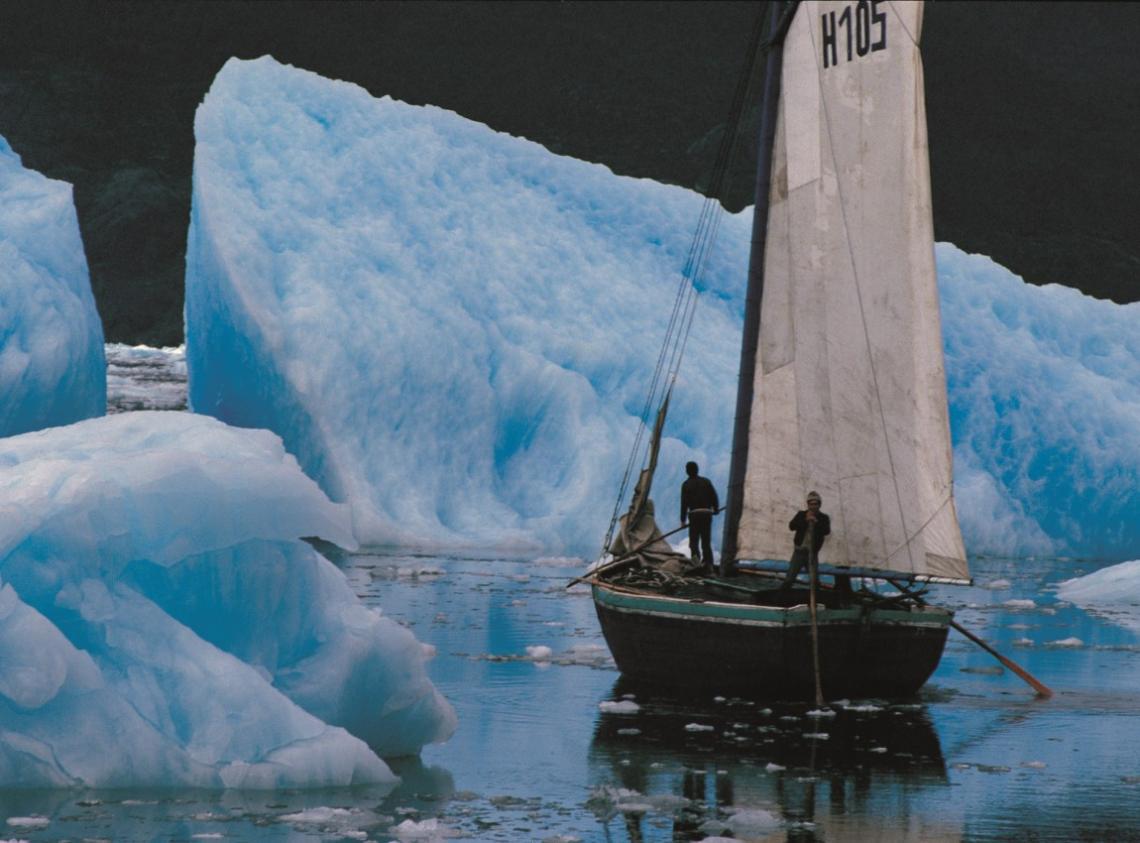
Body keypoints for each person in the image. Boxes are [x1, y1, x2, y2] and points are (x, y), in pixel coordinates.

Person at [781, 491, 831, 589]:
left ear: (819, 505)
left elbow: (826, 531)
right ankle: (781, 599)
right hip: (799, 552)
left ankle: (816, 601)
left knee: (814, 581)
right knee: (789, 579)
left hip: (812, 553)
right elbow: (791, 526)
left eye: (815, 504)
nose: (813, 506)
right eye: (811, 504)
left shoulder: (824, 518)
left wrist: (816, 522)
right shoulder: (801, 514)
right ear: (808, 505)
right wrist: (805, 520)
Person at [680, 461, 719, 570]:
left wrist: (683, 520)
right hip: (707, 514)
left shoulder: (686, 484)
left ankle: (696, 565)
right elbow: (714, 496)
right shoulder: (706, 482)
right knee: (706, 542)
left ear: (687, 471)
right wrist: (716, 509)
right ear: (697, 470)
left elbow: (684, 503)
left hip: (694, 515)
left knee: (694, 542)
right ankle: (709, 565)